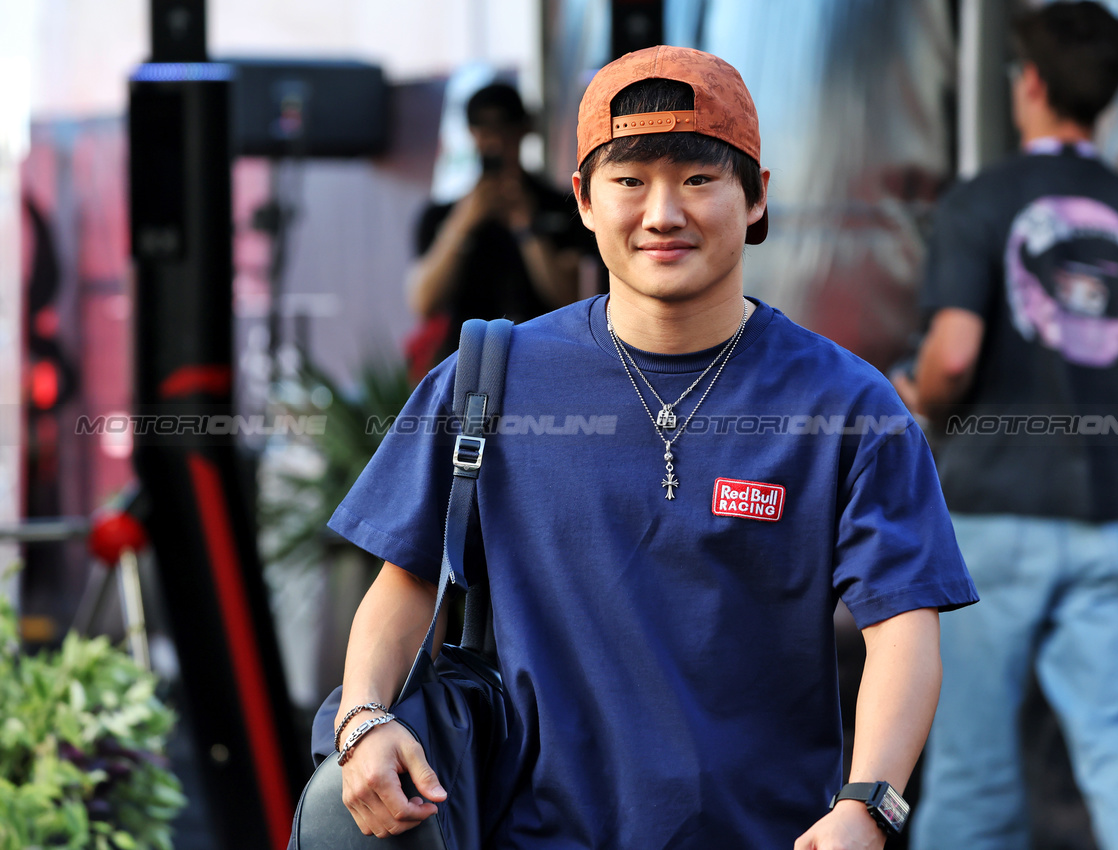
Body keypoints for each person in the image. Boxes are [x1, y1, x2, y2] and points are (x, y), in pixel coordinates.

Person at [333, 46, 977, 850]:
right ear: (583, 200)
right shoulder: (485, 381)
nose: (662, 213)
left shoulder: (845, 405)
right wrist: (362, 717)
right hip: (528, 835)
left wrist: (867, 806)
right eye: (630, 181)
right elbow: (408, 581)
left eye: (699, 179)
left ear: (755, 198)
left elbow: (904, 625)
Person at [891, 4, 1118, 849]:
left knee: (970, 776)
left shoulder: (980, 202)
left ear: (1030, 84)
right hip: (1114, 516)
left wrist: (918, 395)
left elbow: (954, 356)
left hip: (991, 513)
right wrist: (1112, 349)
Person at [404, 82, 594, 374]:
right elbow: (424, 301)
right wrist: (462, 225)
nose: (495, 141)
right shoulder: (443, 215)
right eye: (484, 129)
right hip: (465, 361)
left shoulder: (561, 207)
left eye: (504, 128)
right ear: (471, 134)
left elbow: (569, 299)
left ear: (524, 129)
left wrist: (527, 227)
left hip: (543, 358)